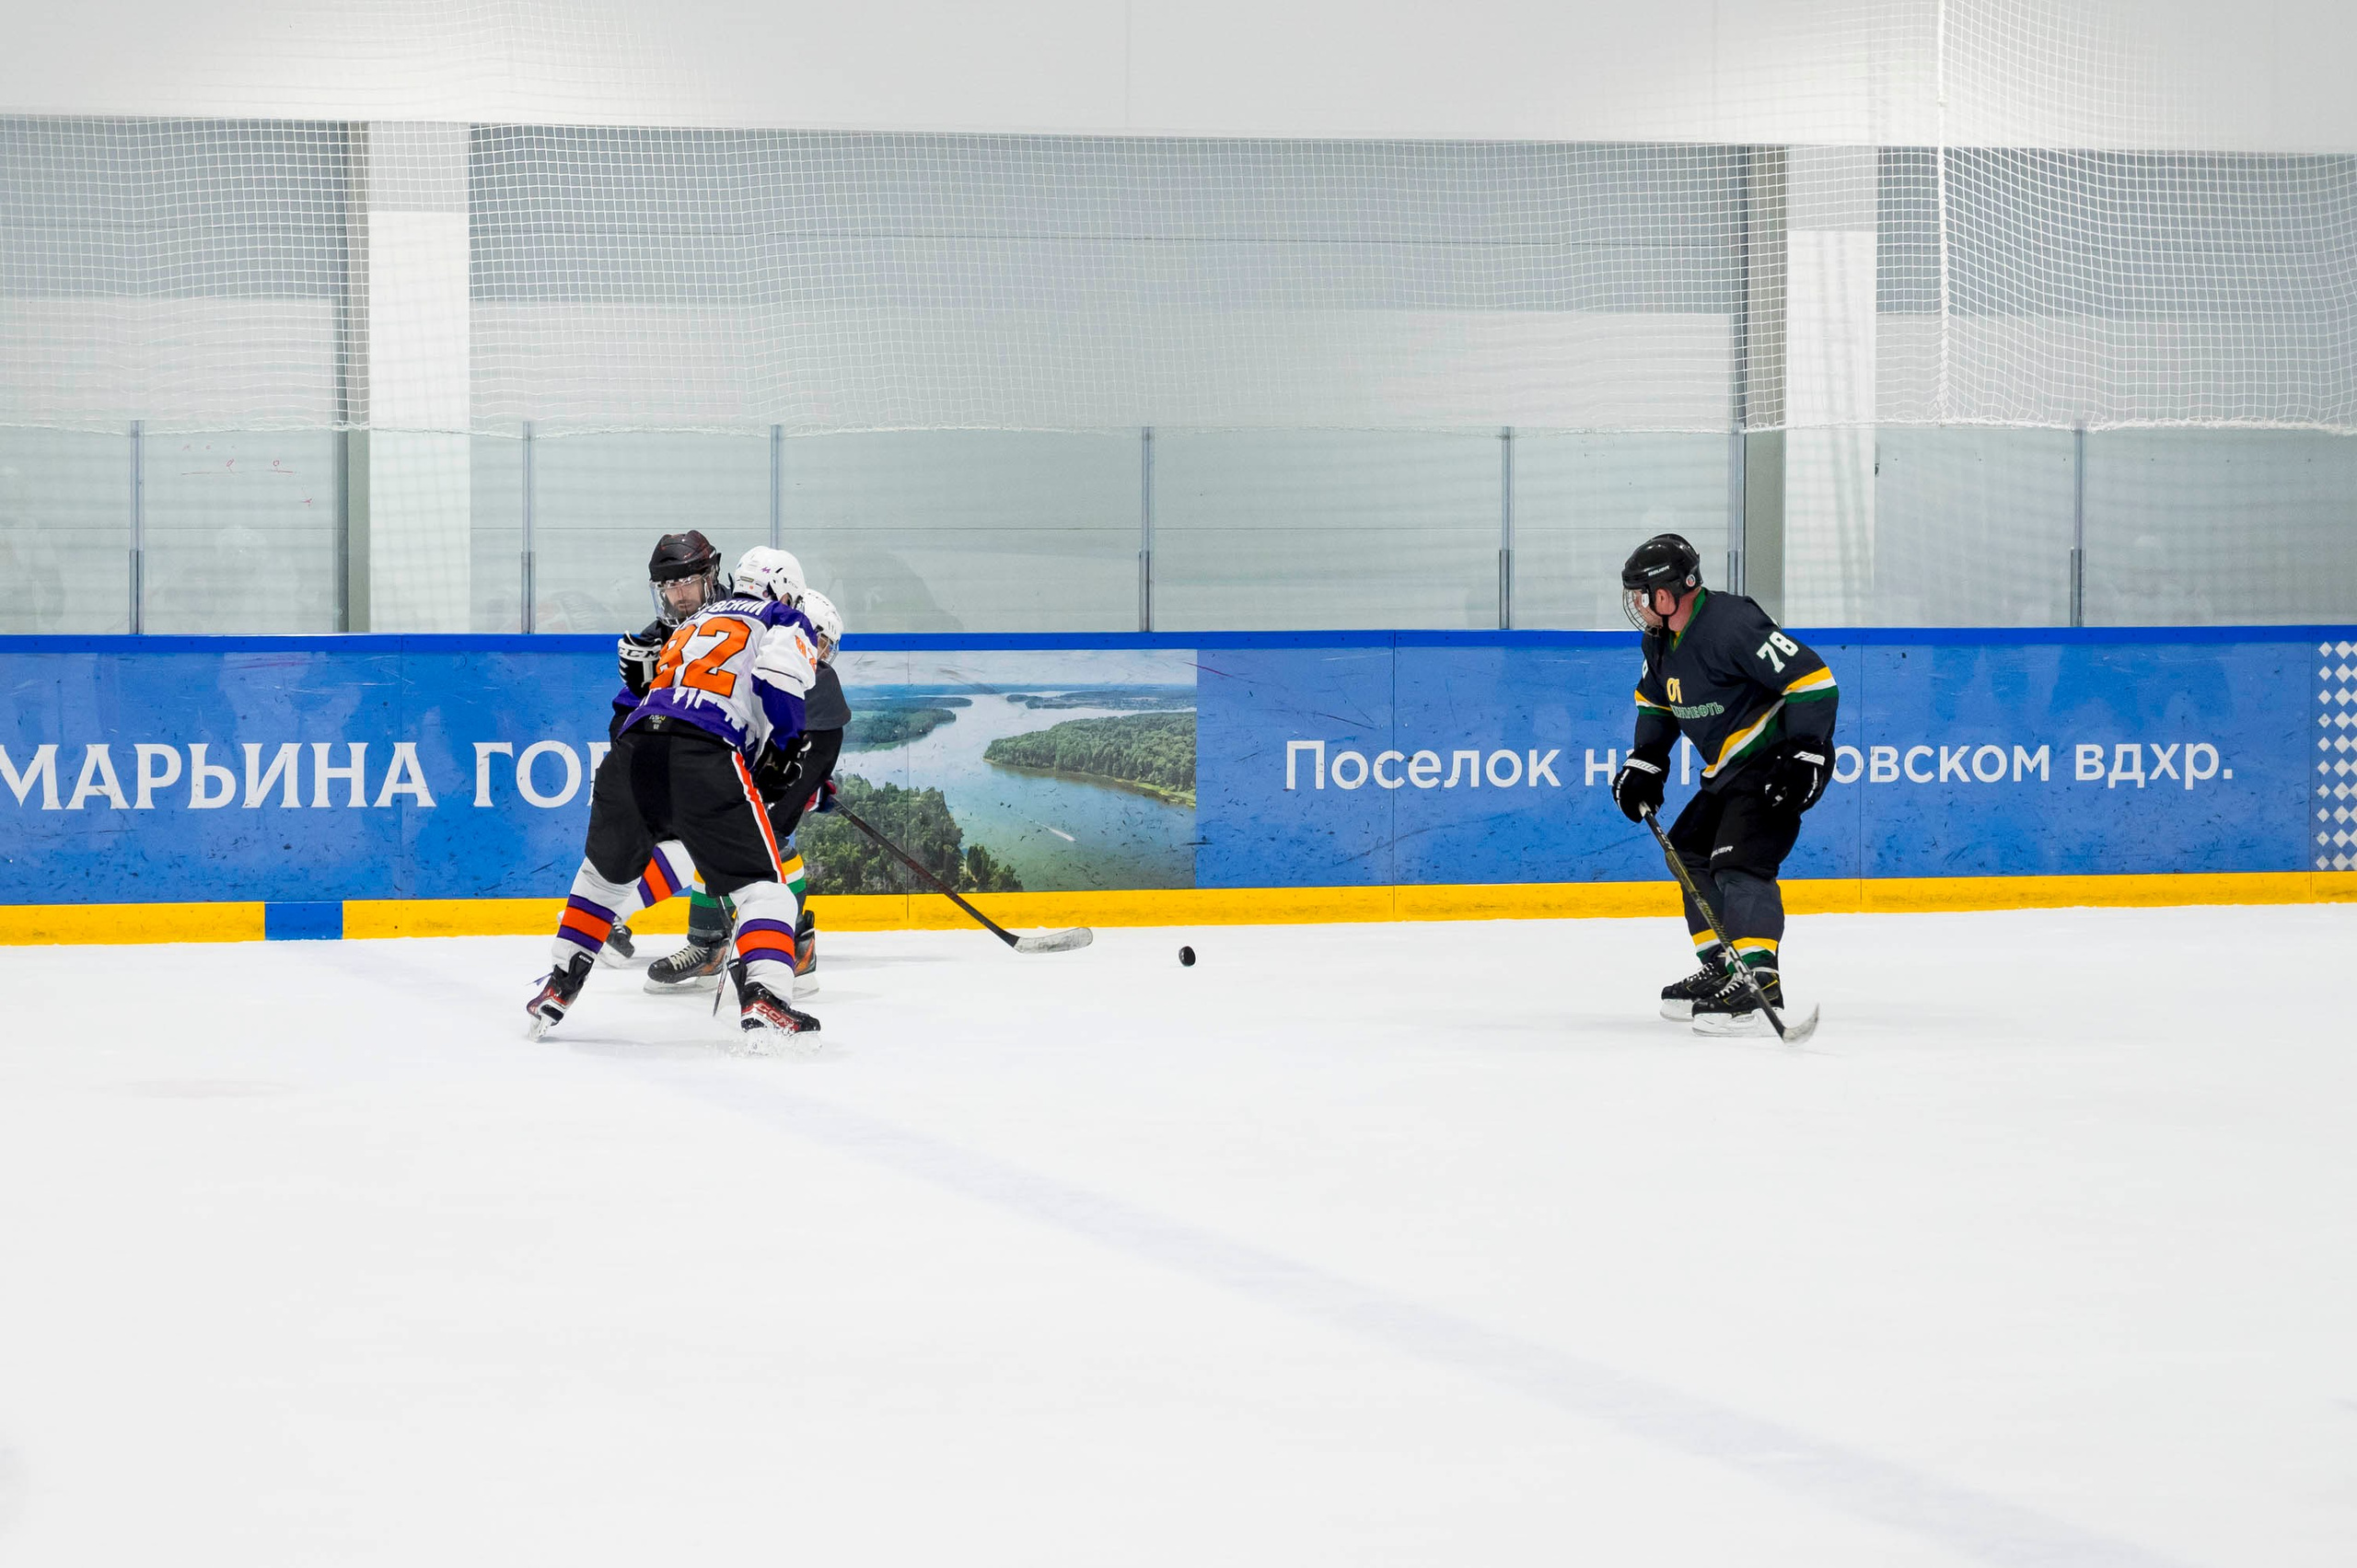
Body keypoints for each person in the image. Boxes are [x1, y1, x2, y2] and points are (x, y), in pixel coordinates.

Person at [525, 549, 823, 1047]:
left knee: (601, 880)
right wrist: (789, 746)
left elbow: (627, 706)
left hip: (631, 755)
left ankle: (557, 985)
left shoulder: (688, 624)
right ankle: (767, 1000)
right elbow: (779, 678)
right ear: (786, 591)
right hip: (704, 753)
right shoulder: (783, 617)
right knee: (763, 890)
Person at [1608, 534, 1838, 1036]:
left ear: (1667, 594)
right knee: (1688, 852)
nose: (1637, 605)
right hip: (1728, 772)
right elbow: (1655, 702)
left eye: (1641, 593)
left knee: (1740, 861)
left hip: (1775, 763)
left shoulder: (1732, 624)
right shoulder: (1659, 641)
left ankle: (1760, 983)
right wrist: (1647, 759)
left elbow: (1813, 680)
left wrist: (1806, 751)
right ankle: (1724, 966)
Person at [644, 587, 849, 993]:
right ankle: (731, 943)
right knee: (731, 841)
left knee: (756, 844)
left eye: (823, 645)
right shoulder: (762, 648)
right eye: (817, 641)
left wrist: (806, 779)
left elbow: (807, 739)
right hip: (775, 759)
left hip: (786, 762)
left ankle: (777, 946)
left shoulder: (803, 671)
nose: (818, 651)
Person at [601, 530, 729, 965]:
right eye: (669, 586)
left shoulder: (745, 622)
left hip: (745, 761)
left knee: (753, 839)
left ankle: (789, 941)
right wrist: (644, 694)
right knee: (669, 829)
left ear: (710, 577)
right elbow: (623, 725)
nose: (680, 595)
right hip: (696, 768)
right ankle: (706, 943)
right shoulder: (655, 640)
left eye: (687, 582)